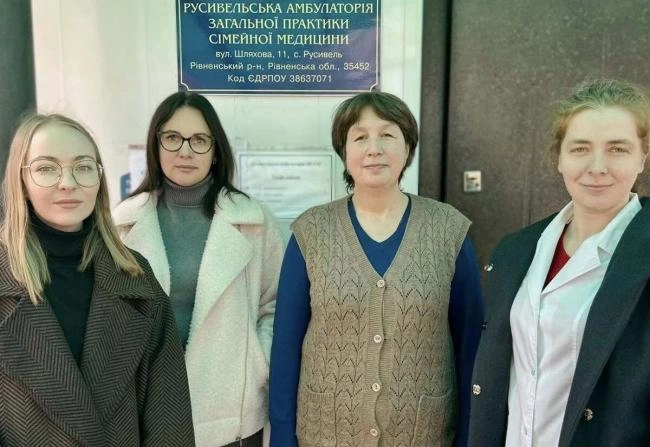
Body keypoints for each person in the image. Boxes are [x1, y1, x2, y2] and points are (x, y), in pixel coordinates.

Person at [269, 91, 484, 447]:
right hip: (326, 434)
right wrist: (281, 436)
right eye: (360, 137)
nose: (374, 148)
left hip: (422, 435)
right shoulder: (311, 232)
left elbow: (470, 345)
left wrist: (468, 438)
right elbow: (286, 346)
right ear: (344, 151)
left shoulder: (448, 230)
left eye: (387, 135)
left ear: (408, 147)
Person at [468, 79, 650, 446]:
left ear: (642, 158)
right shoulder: (516, 250)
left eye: (617, 149)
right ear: (559, 158)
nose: (597, 167)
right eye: (580, 148)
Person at [0, 113, 194, 446]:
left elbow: (169, 420)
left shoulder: (135, 277)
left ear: (99, 179)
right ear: (22, 183)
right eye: (46, 168)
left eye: (83, 166)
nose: (68, 182)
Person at [113, 92, 285, 447]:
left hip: (230, 412)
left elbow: (276, 306)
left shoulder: (253, 220)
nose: (185, 151)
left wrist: (257, 361)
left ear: (215, 150)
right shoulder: (121, 223)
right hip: (148, 408)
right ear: (156, 146)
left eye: (199, 140)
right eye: (173, 138)